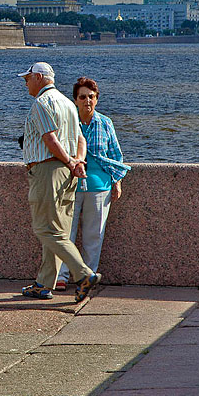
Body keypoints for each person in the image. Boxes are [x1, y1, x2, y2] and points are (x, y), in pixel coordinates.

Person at [19, 62, 101, 302]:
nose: (25, 83)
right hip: (68, 174)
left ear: (39, 77)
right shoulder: (68, 103)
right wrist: (77, 163)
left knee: (46, 230)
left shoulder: (42, 103)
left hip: (48, 171)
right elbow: (80, 139)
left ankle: (84, 274)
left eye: (27, 78)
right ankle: (44, 284)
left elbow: (49, 139)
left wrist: (67, 161)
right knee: (59, 230)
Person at [56, 77, 130, 291]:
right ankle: (61, 275)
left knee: (94, 235)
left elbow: (116, 155)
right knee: (65, 233)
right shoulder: (67, 122)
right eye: (82, 97)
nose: (87, 101)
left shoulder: (105, 123)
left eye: (91, 97)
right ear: (75, 100)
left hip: (100, 186)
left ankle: (87, 276)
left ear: (97, 99)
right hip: (70, 186)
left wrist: (117, 181)